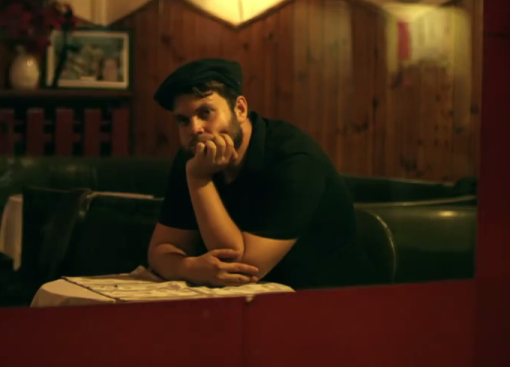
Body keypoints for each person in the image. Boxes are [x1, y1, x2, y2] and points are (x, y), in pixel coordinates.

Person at [147, 58, 378, 290]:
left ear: (239, 109)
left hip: (334, 299)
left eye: (205, 112)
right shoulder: (195, 155)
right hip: (255, 300)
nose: (195, 129)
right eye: (183, 120)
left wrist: (199, 180)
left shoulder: (294, 157)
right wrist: (189, 268)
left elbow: (239, 268)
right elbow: (160, 251)